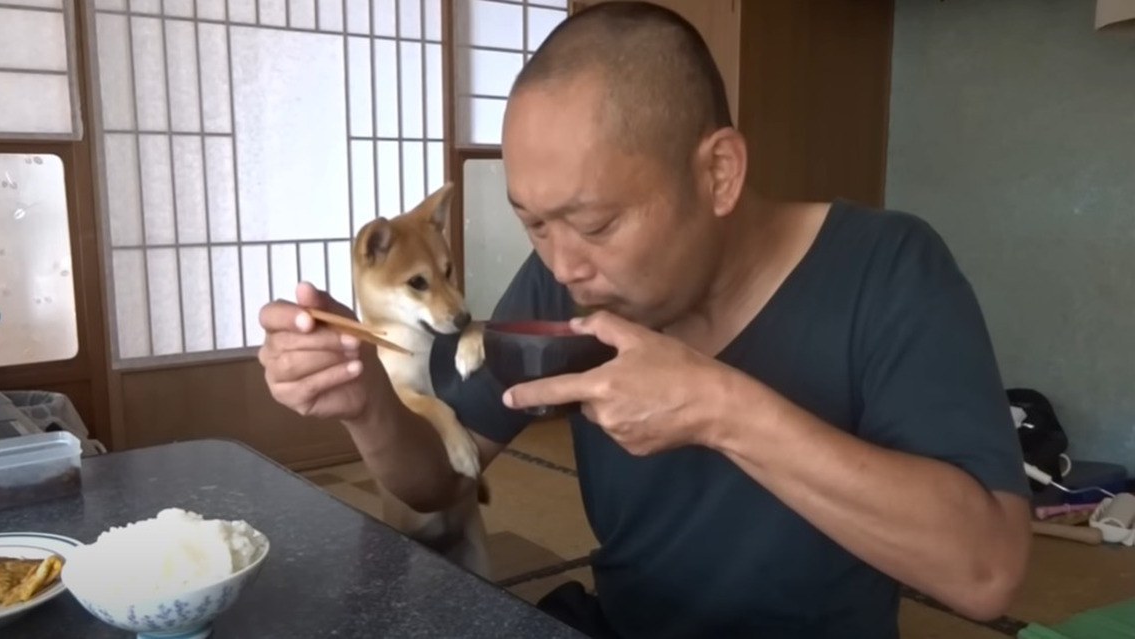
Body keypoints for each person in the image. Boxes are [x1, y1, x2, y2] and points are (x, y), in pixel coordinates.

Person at [256, 2, 1032, 637]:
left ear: (719, 172)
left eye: (594, 225)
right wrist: (366, 404)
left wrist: (720, 408)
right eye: (534, 224)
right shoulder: (564, 281)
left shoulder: (887, 267)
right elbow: (432, 482)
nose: (562, 265)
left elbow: (986, 571)